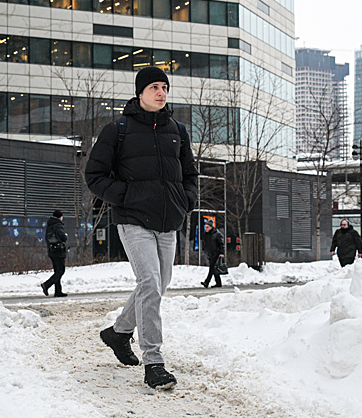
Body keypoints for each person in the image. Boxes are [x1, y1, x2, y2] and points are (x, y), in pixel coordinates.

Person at [85, 66, 199, 390]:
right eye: (154, 87)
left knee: (159, 284)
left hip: (168, 222)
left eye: (164, 86)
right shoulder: (117, 129)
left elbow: (190, 174)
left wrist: (186, 200)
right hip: (134, 220)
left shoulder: (177, 129)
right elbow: (94, 176)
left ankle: (119, 332)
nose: (161, 92)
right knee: (149, 281)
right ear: (140, 92)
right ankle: (154, 362)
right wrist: (126, 197)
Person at [41, 210, 68, 297]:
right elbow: (62, 237)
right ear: (60, 217)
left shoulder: (50, 225)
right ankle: (47, 285)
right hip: (59, 251)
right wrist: (66, 236)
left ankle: (58, 291)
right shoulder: (58, 225)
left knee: (57, 271)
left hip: (52, 250)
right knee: (61, 270)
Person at [200, 219, 225, 288]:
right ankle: (218, 283)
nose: (206, 228)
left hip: (216, 253)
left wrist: (221, 252)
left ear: (211, 227)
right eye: (205, 227)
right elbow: (204, 243)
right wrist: (204, 250)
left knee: (212, 267)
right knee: (214, 268)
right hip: (210, 253)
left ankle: (206, 282)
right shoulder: (205, 234)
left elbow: (221, 244)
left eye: (207, 227)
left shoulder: (217, 234)